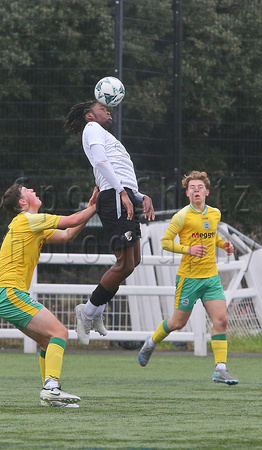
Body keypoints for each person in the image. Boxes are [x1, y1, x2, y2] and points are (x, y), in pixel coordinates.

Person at [0, 183, 98, 407]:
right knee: (60, 332)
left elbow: (68, 234)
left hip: (5, 294)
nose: (33, 191)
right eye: (28, 191)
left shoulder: (32, 224)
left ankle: (49, 394)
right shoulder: (28, 219)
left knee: (49, 342)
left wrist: (89, 208)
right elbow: (71, 220)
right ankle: (51, 388)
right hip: (9, 292)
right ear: (22, 202)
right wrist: (96, 206)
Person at [65, 101, 155, 345]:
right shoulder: (92, 128)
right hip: (115, 197)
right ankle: (87, 311)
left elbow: (121, 173)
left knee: (133, 260)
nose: (108, 111)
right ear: (89, 115)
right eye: (102, 108)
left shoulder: (105, 135)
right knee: (124, 262)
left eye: (109, 109)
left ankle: (95, 309)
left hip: (122, 196)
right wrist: (122, 193)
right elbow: (101, 164)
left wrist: (139, 196)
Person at [138, 171, 239, 385]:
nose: (196, 191)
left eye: (200, 187)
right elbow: (166, 242)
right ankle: (151, 342)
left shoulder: (214, 214)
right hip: (189, 279)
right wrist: (188, 250)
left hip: (211, 278)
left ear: (207, 192)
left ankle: (220, 368)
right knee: (177, 323)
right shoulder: (182, 216)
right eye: (192, 187)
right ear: (187, 193)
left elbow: (213, 235)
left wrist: (224, 245)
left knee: (221, 320)